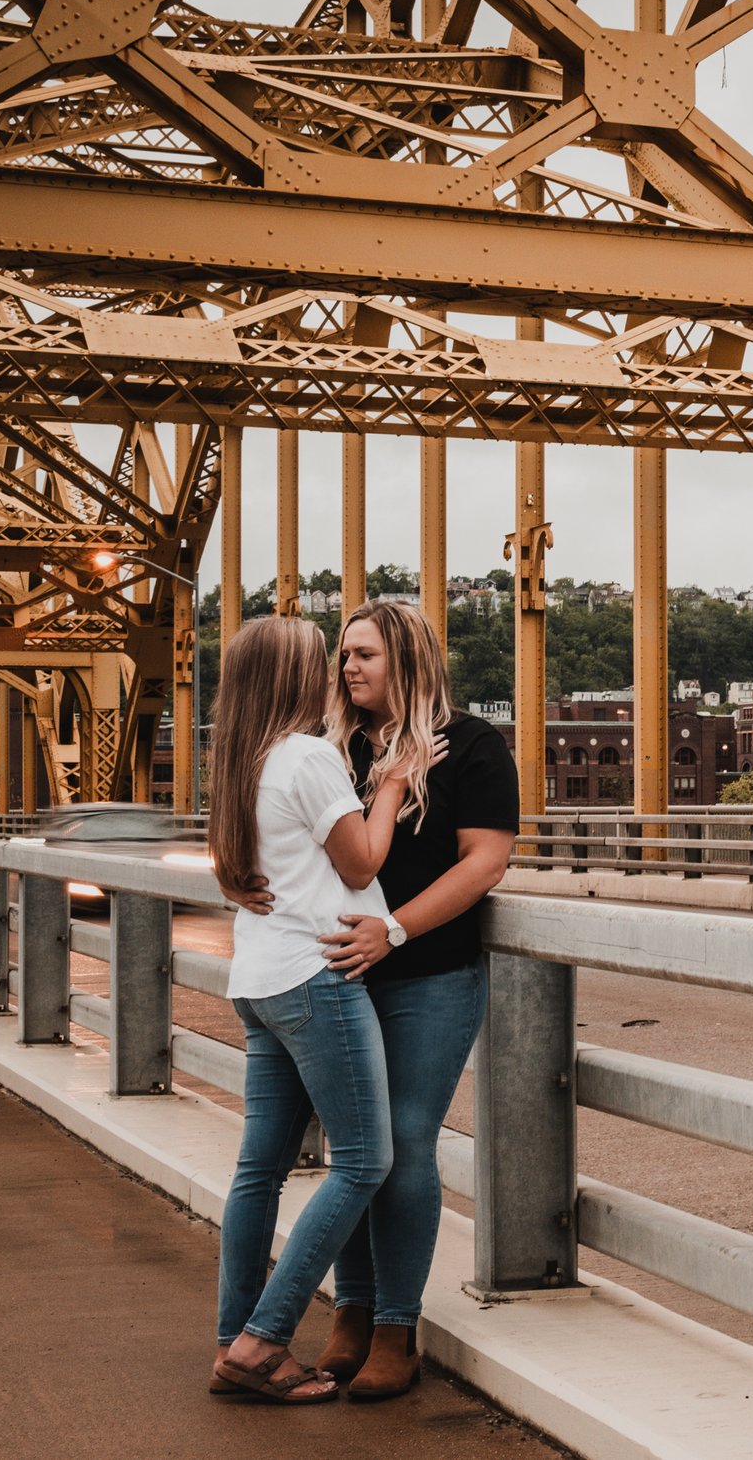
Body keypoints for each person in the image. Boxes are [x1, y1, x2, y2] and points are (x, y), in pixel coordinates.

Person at [207, 617, 431, 1405]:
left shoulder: (243, 758)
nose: (336, 670)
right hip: (317, 977)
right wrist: (396, 782)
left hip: (260, 979)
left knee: (259, 1170)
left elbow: (241, 866)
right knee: (366, 1161)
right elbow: (363, 859)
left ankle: (231, 1339)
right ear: (295, 677)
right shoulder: (308, 756)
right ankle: (265, 1342)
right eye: (321, 659)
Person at [310, 600, 517, 1400]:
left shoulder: (470, 745)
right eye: (343, 655)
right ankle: (350, 1312)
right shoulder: (332, 750)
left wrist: (392, 931)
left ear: (408, 658)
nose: (348, 667)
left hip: (431, 976)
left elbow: (484, 863)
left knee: (402, 1142)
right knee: (355, 1148)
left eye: (364, 654)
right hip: (340, 976)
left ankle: (397, 1325)